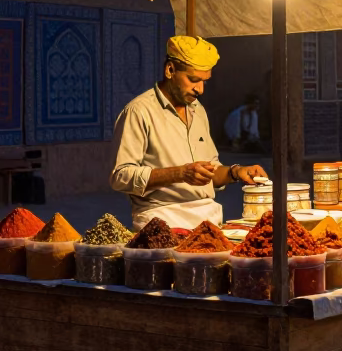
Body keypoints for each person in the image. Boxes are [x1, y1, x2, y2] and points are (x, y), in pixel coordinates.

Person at [110, 36, 266, 230]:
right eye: (193, 79)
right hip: (160, 223)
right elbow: (121, 177)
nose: (199, 89)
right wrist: (180, 173)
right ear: (170, 70)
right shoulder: (139, 111)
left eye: (204, 82)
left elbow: (211, 171)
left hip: (208, 222)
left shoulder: (197, 109)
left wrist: (236, 172)